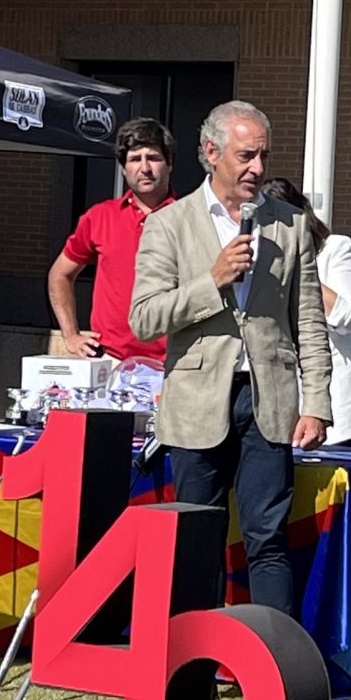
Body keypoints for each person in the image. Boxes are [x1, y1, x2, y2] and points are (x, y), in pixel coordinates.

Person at [130, 102, 332, 615]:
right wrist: (211, 281)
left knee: (268, 538)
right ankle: (192, 664)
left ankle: (272, 667)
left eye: (264, 155)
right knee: (197, 536)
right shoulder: (168, 225)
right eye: (246, 156)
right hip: (198, 404)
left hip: (268, 401)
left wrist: (317, 403)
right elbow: (144, 318)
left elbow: (308, 319)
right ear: (211, 154)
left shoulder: (289, 224)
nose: (258, 169)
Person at [260, 177, 351, 449]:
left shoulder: (335, 249)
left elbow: (349, 317)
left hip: (342, 411)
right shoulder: (261, 260)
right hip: (286, 408)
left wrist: (300, 268)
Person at [48, 117, 176, 362]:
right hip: (111, 361)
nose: (145, 168)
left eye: (154, 158)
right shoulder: (100, 217)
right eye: (135, 159)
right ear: (123, 167)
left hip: (174, 364)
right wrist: (71, 335)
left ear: (169, 164)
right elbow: (59, 274)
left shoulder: (190, 219)